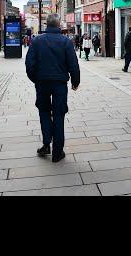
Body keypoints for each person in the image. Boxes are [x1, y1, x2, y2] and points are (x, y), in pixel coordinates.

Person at [25, 13, 80, 163]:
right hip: (59, 84)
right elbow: (73, 64)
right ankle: (57, 151)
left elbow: (29, 64)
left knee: (43, 112)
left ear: (46, 25)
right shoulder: (65, 42)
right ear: (58, 25)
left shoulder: (36, 41)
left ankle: (46, 144)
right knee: (59, 114)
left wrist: (35, 79)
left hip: (42, 83)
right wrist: (75, 82)